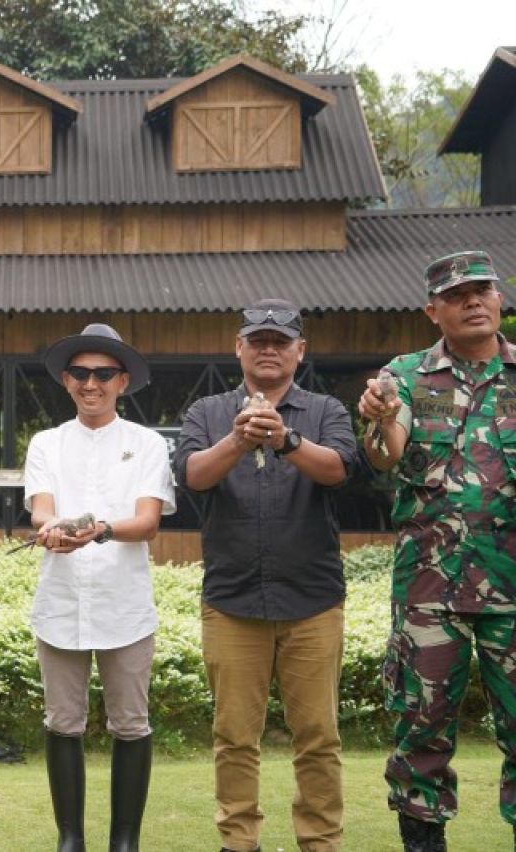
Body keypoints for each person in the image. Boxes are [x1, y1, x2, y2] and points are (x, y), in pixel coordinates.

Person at [174, 299, 358, 852]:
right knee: (234, 738)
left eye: (281, 341)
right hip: (232, 601)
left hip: (313, 600)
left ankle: (321, 842)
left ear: (300, 351)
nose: (270, 349)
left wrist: (285, 439)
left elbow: (342, 469)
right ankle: (239, 842)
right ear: (239, 348)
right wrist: (238, 439)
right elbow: (191, 477)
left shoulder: (326, 410)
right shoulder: (207, 411)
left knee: (319, 738)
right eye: (259, 340)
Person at [358, 251, 516, 852]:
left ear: (500, 299)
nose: (473, 301)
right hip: (430, 591)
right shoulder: (404, 378)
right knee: (421, 732)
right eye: (457, 295)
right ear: (433, 310)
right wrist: (378, 418)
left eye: (483, 290)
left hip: (513, 587)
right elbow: (386, 453)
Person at [23, 323, 175, 852]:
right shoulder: (46, 442)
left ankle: (125, 841)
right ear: (67, 380)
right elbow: (41, 505)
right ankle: (70, 838)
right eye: (82, 373)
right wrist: (49, 530)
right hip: (60, 601)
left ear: (123, 381)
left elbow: (149, 520)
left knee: (130, 724)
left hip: (125, 605)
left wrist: (101, 530)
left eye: (104, 373)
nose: (92, 383)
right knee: (62, 722)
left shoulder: (148, 443)